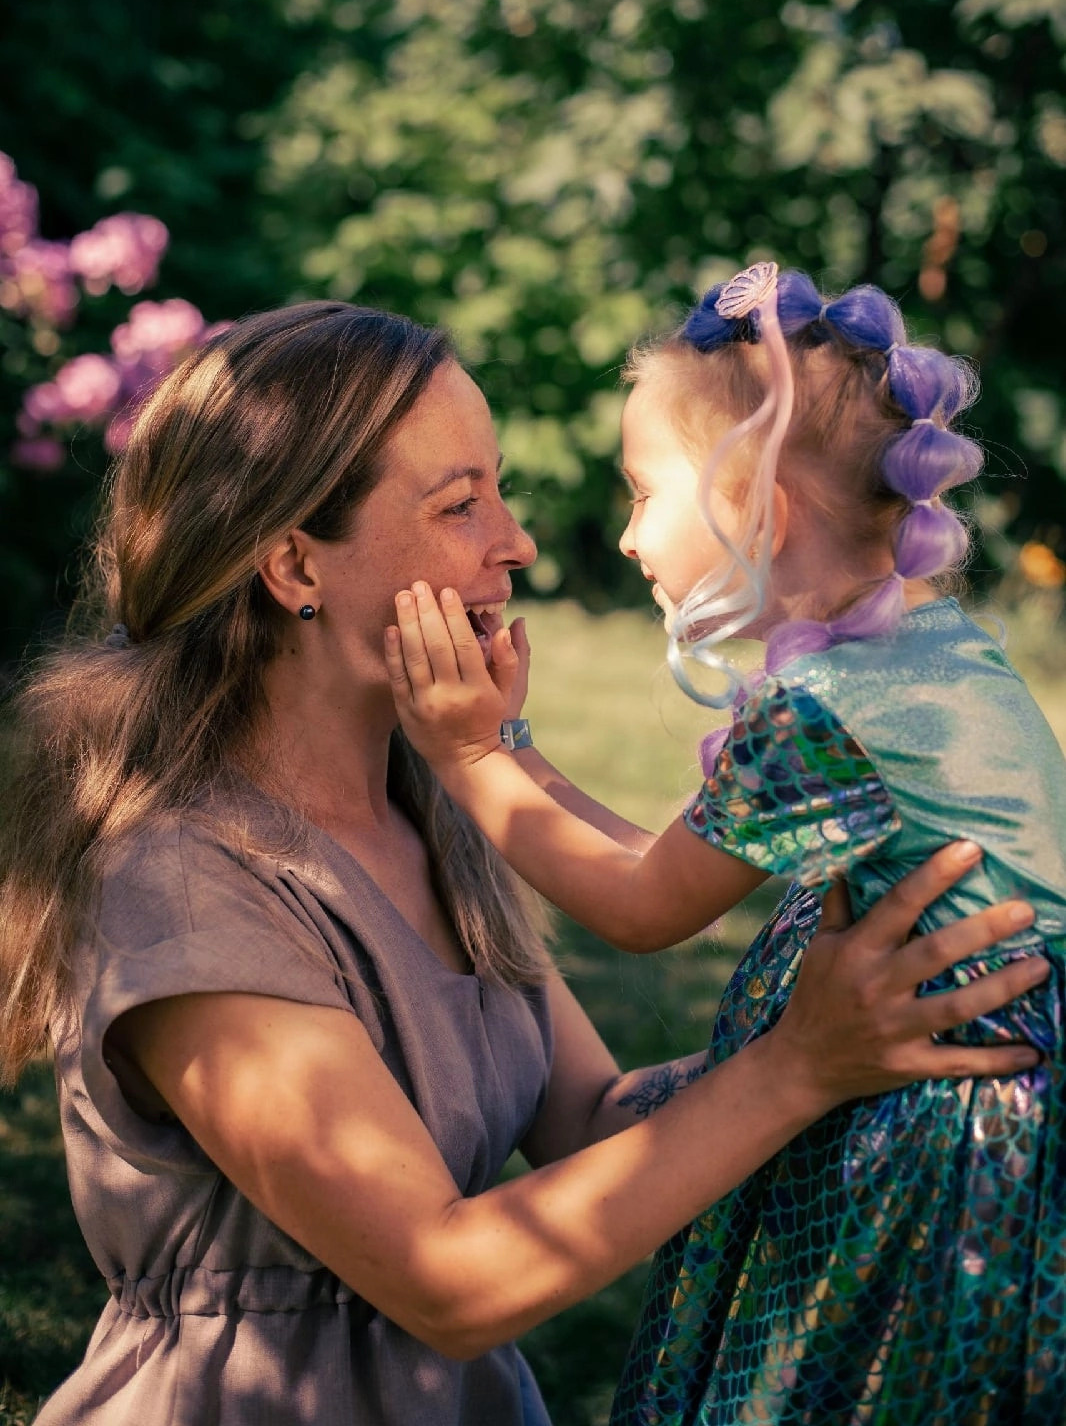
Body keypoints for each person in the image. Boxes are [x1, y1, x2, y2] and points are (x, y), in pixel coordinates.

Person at [0, 303, 1045, 1426]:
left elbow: (594, 1118)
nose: (518, 542)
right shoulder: (189, 886)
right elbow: (450, 1282)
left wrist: (873, 1045)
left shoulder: (435, 815)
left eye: (499, 489)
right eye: (460, 504)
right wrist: (790, 1071)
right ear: (296, 561)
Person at [386, 264, 1066, 1423]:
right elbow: (668, 854)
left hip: (945, 1145)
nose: (626, 532)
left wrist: (463, 760)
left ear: (753, 505)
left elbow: (644, 909)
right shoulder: (924, 652)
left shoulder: (823, 710)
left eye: (644, 492)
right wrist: (506, 747)